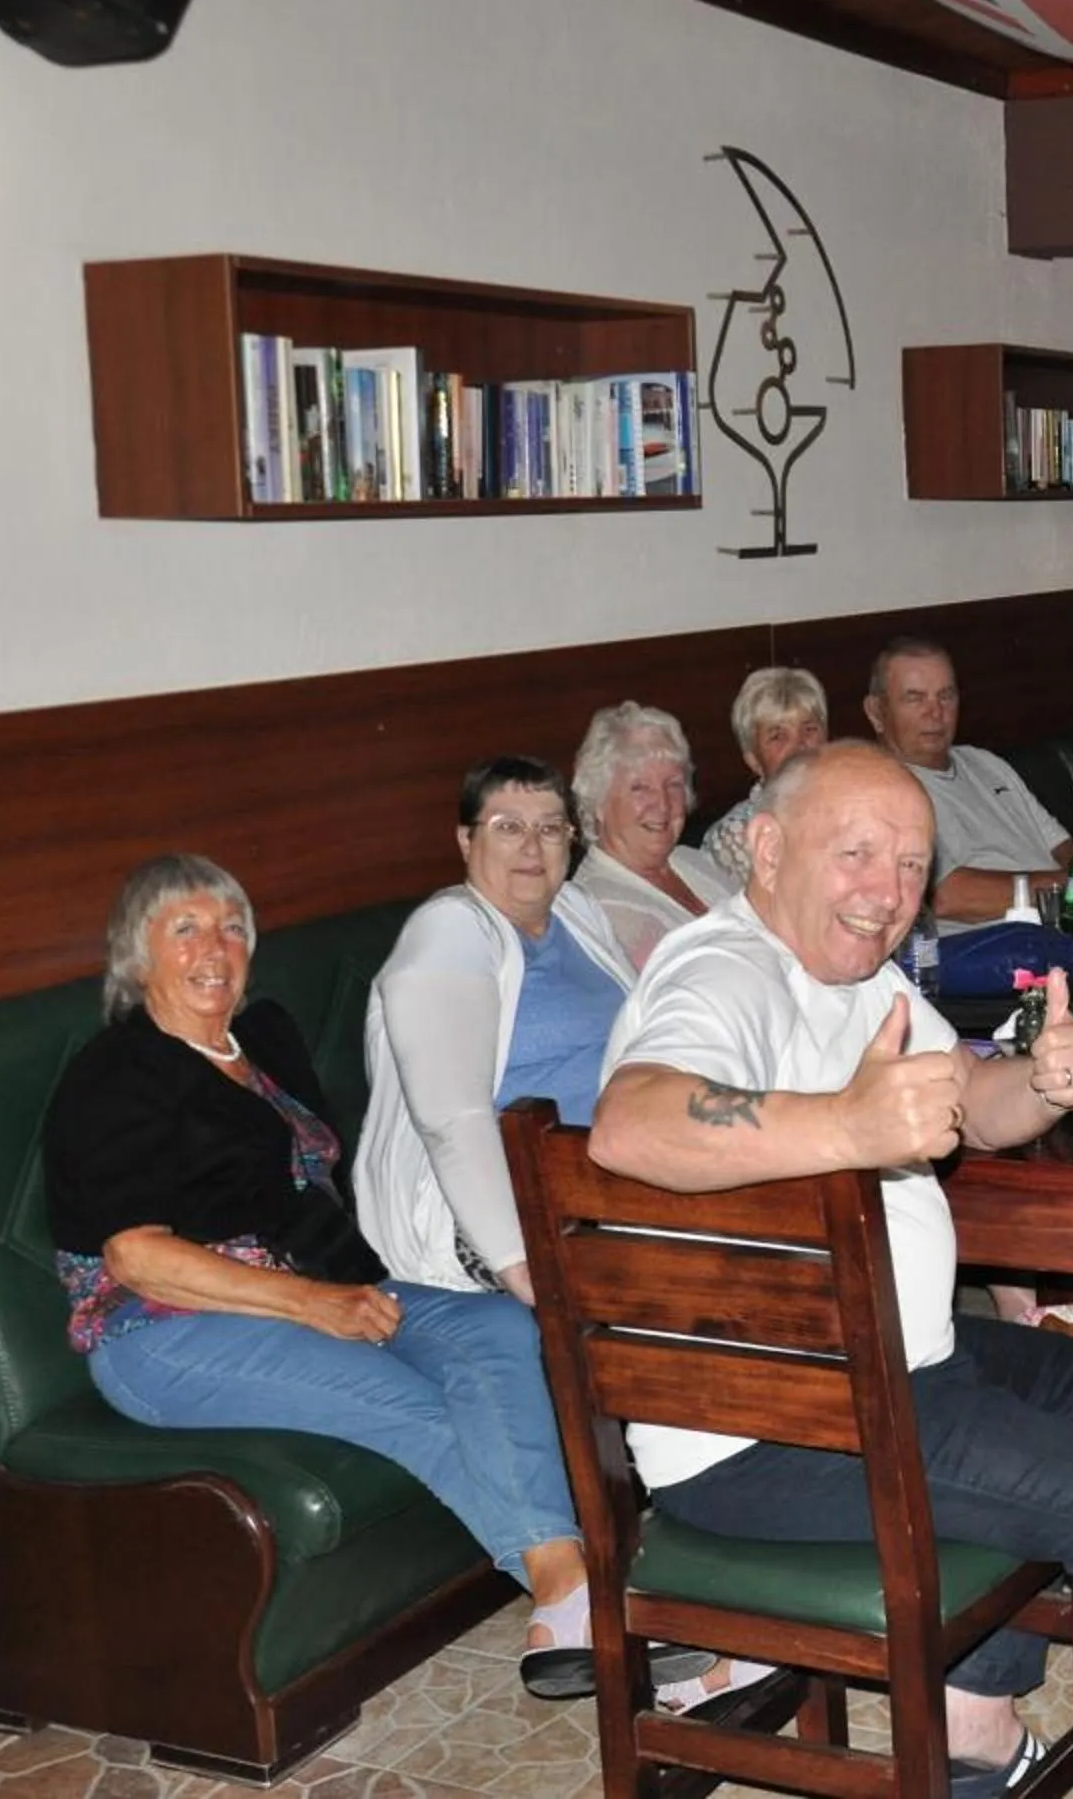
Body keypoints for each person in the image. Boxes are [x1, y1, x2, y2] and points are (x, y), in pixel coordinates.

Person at [587, 742, 1073, 1799]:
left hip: (876, 1360)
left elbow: (971, 1103)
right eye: (859, 855)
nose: (889, 894)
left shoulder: (858, 977)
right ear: (770, 851)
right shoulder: (722, 970)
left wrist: (1048, 1082)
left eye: (912, 866)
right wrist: (844, 1121)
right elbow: (628, 1123)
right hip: (773, 1424)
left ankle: (972, 1708)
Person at [42, 855, 689, 1706]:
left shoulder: (263, 1036)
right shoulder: (116, 1072)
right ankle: (579, 1594)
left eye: (232, 927)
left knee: (500, 1331)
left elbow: (304, 1197)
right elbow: (135, 1257)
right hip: (164, 1331)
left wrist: (351, 1284)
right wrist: (317, 1303)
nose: (215, 948)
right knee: (418, 1402)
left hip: (314, 1285)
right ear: (138, 956)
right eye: (185, 929)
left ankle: (575, 1596)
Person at [359, 757, 633, 1304]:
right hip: (507, 1207)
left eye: (550, 828)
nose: (533, 847)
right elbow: (450, 1116)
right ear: (466, 840)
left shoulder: (577, 909)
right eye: (508, 827)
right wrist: (518, 1261)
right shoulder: (451, 929)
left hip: (616, 1174)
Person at [865, 636, 1073, 929]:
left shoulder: (985, 763)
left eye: (946, 695)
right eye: (915, 698)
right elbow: (947, 896)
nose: (935, 712)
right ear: (876, 713)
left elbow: (1063, 846)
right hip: (1005, 962)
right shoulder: (879, 790)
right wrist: (1068, 888)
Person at [568, 702, 732, 969]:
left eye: (673, 785)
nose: (663, 804)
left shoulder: (693, 860)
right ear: (597, 800)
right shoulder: (595, 908)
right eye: (640, 788)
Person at [702, 666, 830, 885]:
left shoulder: (854, 808)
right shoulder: (734, 837)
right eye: (778, 736)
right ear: (753, 759)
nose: (800, 746)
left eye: (809, 729)